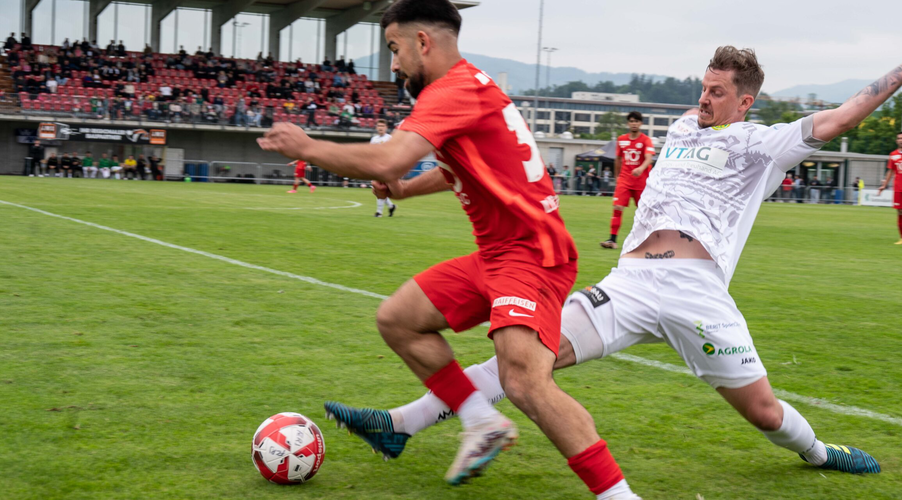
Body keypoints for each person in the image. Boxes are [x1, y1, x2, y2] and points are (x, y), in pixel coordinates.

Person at [326, 41, 902, 486]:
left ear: (745, 102)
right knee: (524, 365)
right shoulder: (683, 127)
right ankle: (400, 423)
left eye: (718, 93)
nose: (705, 99)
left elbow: (842, 117)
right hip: (630, 283)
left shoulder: (764, 144)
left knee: (765, 414)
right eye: (703, 88)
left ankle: (821, 452)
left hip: (697, 291)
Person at [258, 1, 638, 497]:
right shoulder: (469, 86)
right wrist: (403, 190)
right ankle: (480, 421)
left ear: (422, 43)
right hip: (499, 254)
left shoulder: (451, 90)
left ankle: (619, 495)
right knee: (397, 319)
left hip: (532, 255)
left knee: (524, 382)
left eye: (395, 49)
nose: (393, 64)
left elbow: (389, 159)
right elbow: (457, 167)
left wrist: (307, 147)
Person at [601, 111, 655, 249]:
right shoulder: (621, 139)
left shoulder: (646, 140)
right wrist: (617, 176)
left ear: (640, 123)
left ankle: (649, 239)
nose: (634, 124)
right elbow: (618, 159)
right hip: (625, 180)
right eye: (631, 121)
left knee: (644, 211)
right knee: (617, 207)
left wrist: (641, 168)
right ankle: (612, 240)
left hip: (641, 181)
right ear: (628, 123)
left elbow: (649, 158)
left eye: (636, 121)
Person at [370, 119, 397, 217]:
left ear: (386, 127)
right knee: (376, 189)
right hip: (376, 166)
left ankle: (379, 212)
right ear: (376, 127)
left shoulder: (389, 138)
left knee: (379, 188)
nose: (380, 128)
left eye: (382, 126)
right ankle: (391, 206)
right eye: (379, 126)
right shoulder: (374, 139)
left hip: (386, 166)